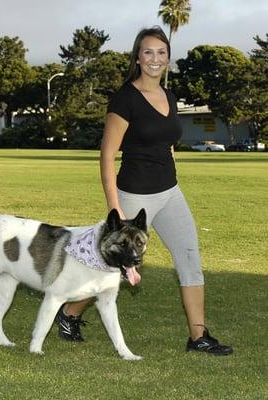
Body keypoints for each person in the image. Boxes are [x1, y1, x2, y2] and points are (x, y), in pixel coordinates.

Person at [55, 26, 232, 355]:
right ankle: (69, 312)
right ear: (138, 57)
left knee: (190, 259)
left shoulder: (170, 96)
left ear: (168, 58)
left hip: (170, 193)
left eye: (161, 52)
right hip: (133, 196)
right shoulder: (125, 98)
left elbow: (168, 143)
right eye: (148, 52)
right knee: (113, 266)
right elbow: (107, 155)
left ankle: (199, 337)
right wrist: (115, 210)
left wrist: (169, 168)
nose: (155, 58)